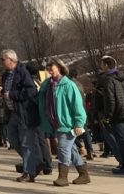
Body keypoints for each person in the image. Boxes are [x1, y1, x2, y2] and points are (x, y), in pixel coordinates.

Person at [38, 57, 90, 186]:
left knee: (63, 149)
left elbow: (77, 105)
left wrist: (79, 123)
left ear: (60, 68)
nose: (49, 69)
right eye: (48, 67)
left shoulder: (68, 85)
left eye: (52, 66)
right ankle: (84, 174)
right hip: (55, 124)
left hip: (67, 125)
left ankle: (63, 177)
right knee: (71, 150)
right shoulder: (48, 84)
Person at [1, 49, 42, 183]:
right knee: (12, 138)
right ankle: (33, 162)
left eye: (3, 59)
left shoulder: (22, 71)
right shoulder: (6, 74)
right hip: (13, 112)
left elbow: (31, 90)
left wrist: (12, 95)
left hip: (24, 112)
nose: (2, 62)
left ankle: (29, 171)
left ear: (11, 60)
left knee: (26, 142)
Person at [94, 55, 124, 174]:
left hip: (118, 116)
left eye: (102, 65)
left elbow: (110, 101)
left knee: (122, 143)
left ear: (106, 66)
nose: (101, 67)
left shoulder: (108, 80)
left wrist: (107, 117)